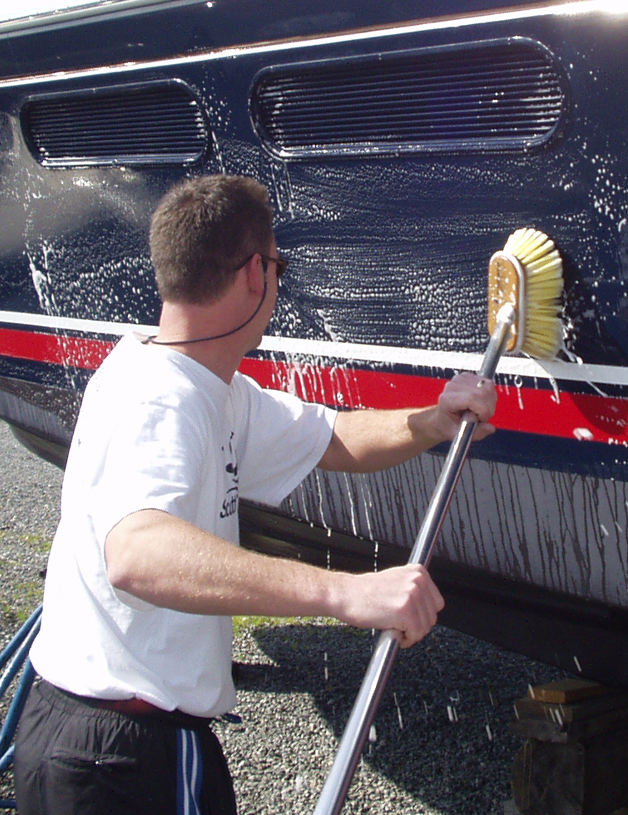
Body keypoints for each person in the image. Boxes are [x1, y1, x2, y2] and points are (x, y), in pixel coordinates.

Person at [14, 175, 497, 815]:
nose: (278, 279)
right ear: (253, 274)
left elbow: (334, 439)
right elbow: (138, 554)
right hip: (117, 757)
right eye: (279, 264)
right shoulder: (158, 397)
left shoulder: (209, 385)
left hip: (134, 741)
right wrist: (347, 591)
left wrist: (436, 420)